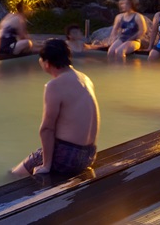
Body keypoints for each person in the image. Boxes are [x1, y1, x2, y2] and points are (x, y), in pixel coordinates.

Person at [12, 39, 99, 177]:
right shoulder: (85, 78)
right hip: (88, 155)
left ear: (46, 63)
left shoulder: (54, 85)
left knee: (14, 174)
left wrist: (46, 165)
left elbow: (47, 129)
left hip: (67, 158)